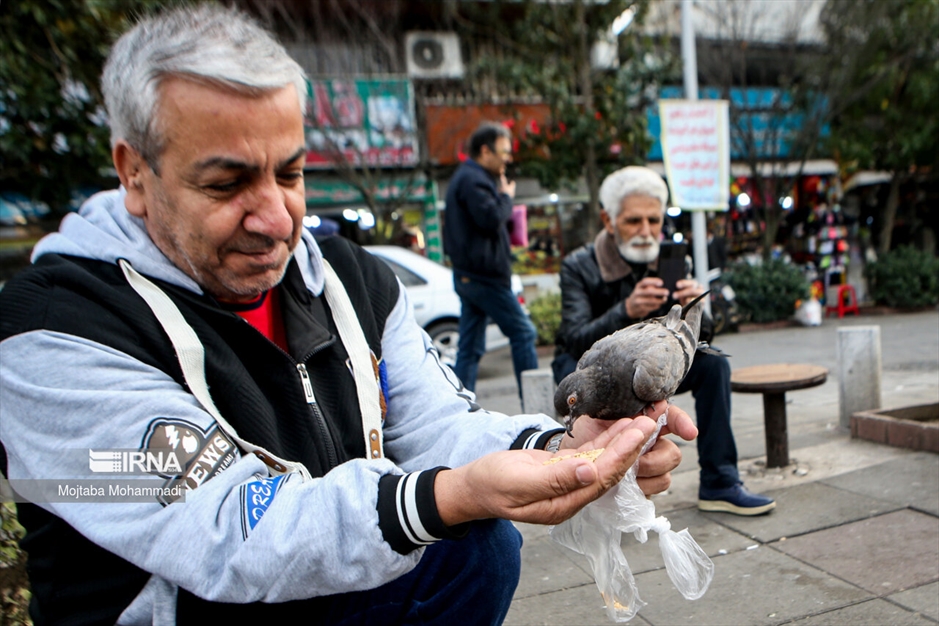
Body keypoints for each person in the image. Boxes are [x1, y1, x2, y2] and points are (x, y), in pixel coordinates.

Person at [0, 7, 698, 623]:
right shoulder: (51, 331)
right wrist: (442, 498)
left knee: (479, 550)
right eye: (226, 183)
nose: (276, 219)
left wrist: (557, 450)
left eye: (291, 173)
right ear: (133, 173)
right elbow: (220, 530)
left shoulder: (354, 278)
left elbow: (436, 426)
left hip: (333, 589)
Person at [552, 166, 775, 517]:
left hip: (653, 364)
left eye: (654, 221)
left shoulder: (672, 258)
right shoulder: (579, 266)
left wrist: (696, 309)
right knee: (575, 380)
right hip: (589, 364)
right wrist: (624, 310)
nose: (646, 231)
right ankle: (588, 483)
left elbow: (705, 335)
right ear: (608, 221)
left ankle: (720, 481)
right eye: (633, 221)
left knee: (715, 366)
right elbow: (571, 335)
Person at [442, 122, 539, 398]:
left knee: (470, 348)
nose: (508, 158)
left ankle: (460, 406)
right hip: (484, 278)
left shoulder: (470, 178)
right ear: (485, 151)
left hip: (471, 275)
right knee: (523, 333)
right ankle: (535, 403)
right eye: (504, 152)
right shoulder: (473, 180)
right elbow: (491, 218)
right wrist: (506, 197)